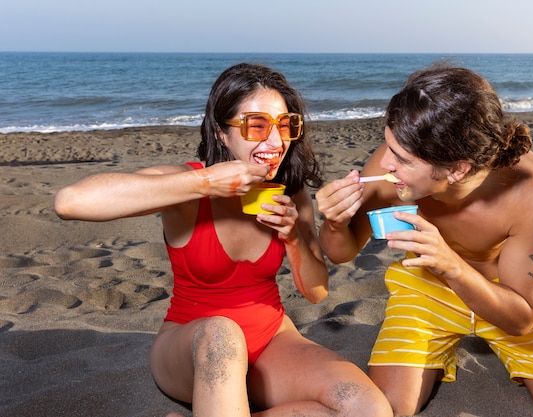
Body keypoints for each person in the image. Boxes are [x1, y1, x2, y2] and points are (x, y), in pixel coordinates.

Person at [55, 63, 392, 417]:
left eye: (284, 126)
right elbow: (71, 202)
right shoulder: (188, 186)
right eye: (257, 126)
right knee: (222, 333)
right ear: (220, 132)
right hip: (194, 345)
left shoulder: (292, 195)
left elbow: (317, 292)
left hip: (271, 339)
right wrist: (204, 183)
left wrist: (292, 238)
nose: (275, 142)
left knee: (368, 407)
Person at [315, 64, 533, 417]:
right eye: (388, 145)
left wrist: (452, 266)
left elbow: (521, 318)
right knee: (387, 410)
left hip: (505, 295)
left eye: (402, 158)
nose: (384, 162)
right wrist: (335, 222)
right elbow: (341, 253)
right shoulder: (391, 170)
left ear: (457, 168)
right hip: (425, 290)